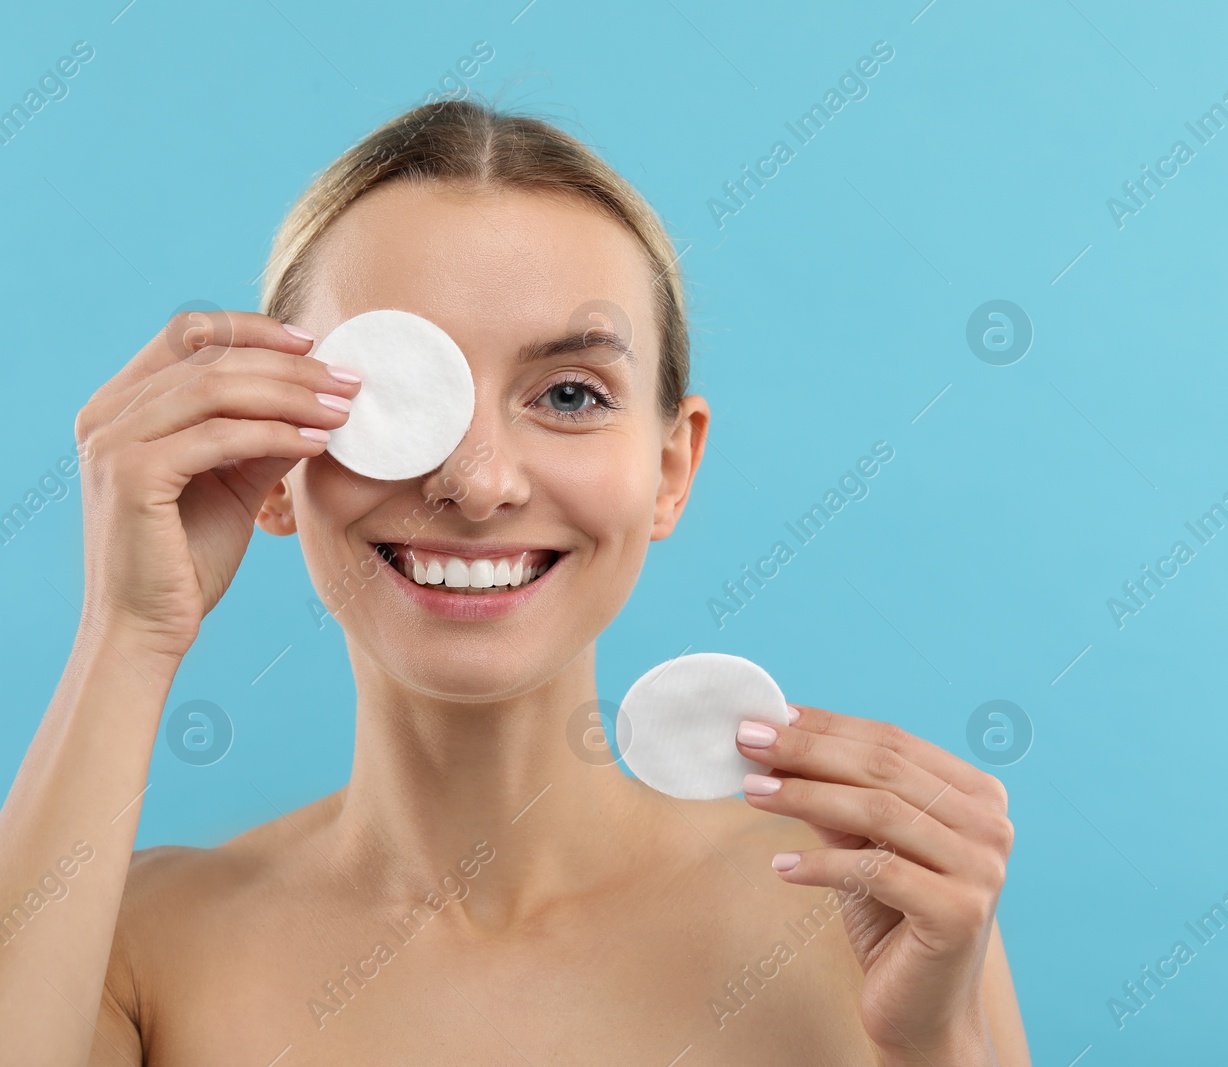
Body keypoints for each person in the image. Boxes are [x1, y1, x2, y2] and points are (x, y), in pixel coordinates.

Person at [0, 98, 1028, 1065]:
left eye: (571, 393)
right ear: (270, 460)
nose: (478, 481)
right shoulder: (132, 946)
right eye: (392, 393)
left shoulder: (867, 913)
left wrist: (935, 1047)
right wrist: (127, 632)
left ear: (671, 468)